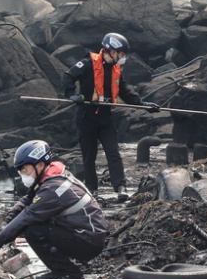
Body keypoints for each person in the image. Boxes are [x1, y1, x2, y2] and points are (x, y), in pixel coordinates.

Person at [0, 140, 107, 279]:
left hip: (88, 241)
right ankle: (58, 271)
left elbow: (26, 217)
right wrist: (8, 219)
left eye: (25, 170)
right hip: (81, 233)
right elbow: (27, 200)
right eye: (20, 171)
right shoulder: (50, 177)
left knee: (34, 231)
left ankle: (72, 277)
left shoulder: (53, 189)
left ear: (40, 165)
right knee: (36, 228)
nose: (23, 175)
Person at [62, 32, 160, 201]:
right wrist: (72, 95)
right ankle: (92, 190)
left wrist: (144, 105)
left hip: (105, 118)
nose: (123, 58)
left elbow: (126, 93)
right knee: (89, 155)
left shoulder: (116, 71)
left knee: (113, 152)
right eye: (121, 54)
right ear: (111, 52)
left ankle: (120, 186)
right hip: (86, 116)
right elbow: (68, 77)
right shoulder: (87, 64)